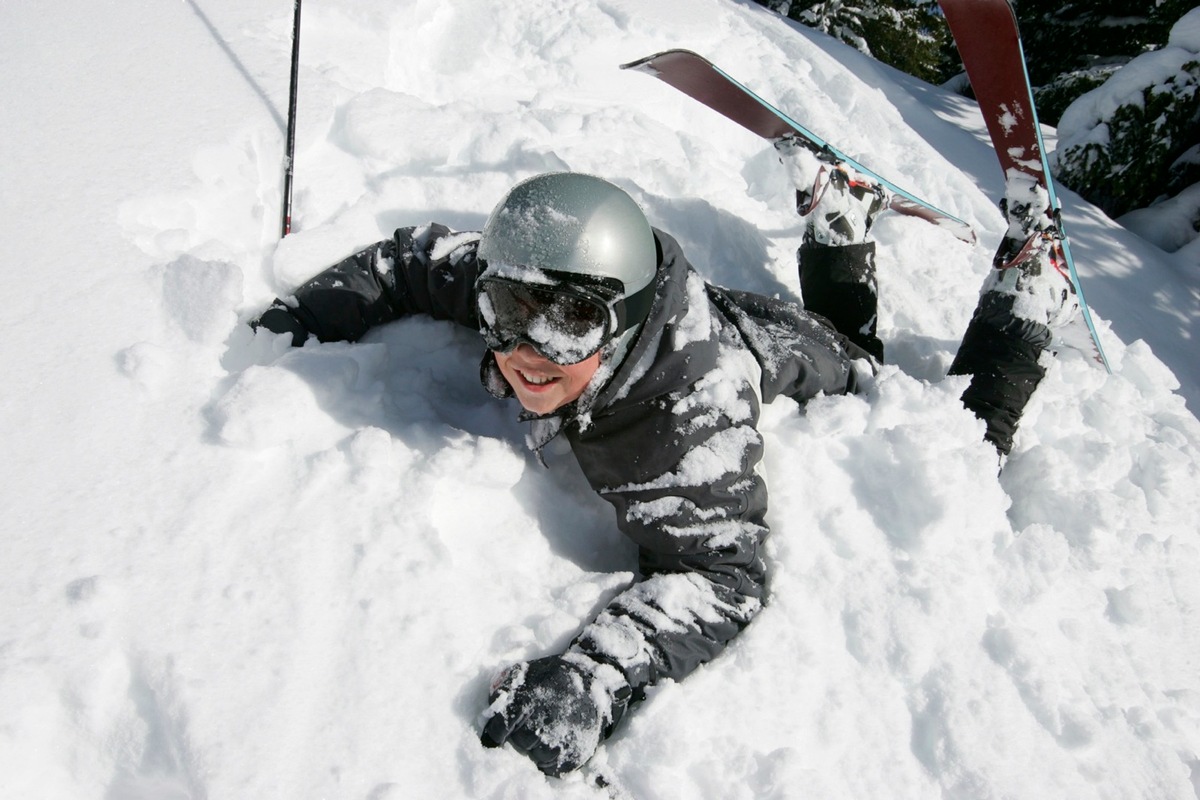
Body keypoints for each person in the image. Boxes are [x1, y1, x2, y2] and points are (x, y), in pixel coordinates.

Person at [250, 156, 1076, 776]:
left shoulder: (681, 426)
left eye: (571, 325)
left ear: (620, 323)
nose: (527, 353)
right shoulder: (540, 279)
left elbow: (725, 575)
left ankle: (1026, 298)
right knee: (830, 332)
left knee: (957, 436)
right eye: (507, 312)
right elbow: (409, 261)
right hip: (745, 322)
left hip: (818, 375)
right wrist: (308, 314)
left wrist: (596, 675)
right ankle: (841, 225)